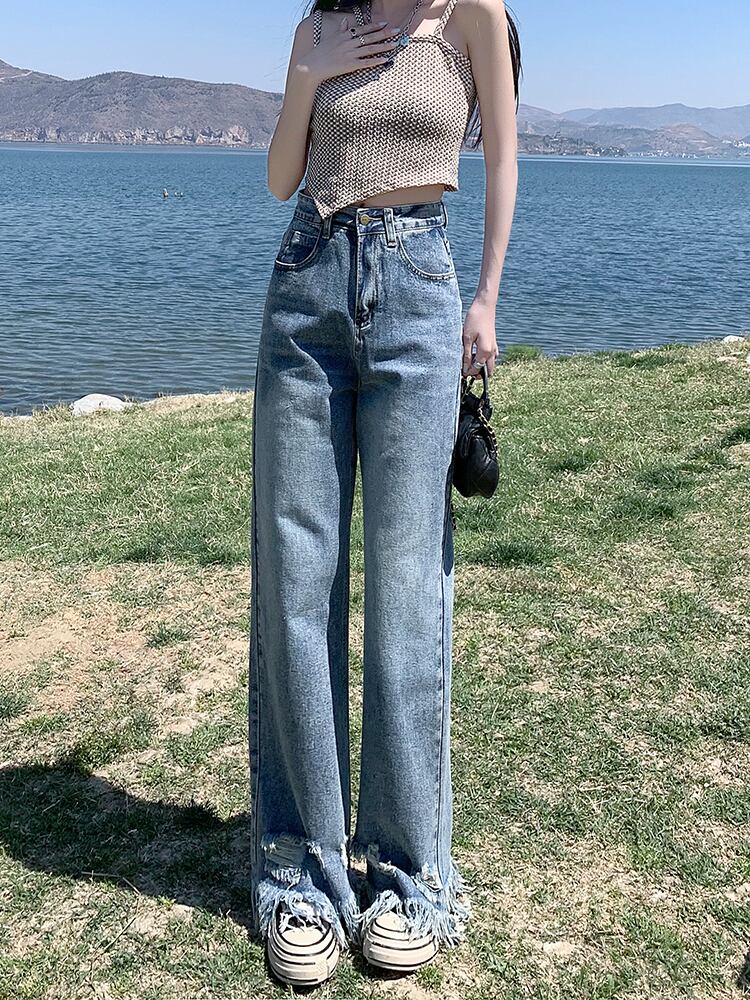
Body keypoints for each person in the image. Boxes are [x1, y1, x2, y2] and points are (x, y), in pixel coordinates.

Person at [249, 0, 520, 986]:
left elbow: (505, 158)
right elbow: (282, 176)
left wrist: (485, 297)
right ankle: (301, 873)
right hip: (307, 284)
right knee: (296, 585)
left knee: (408, 590)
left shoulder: (472, 15)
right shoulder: (323, 21)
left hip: (419, 288)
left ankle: (409, 877)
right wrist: (308, 73)